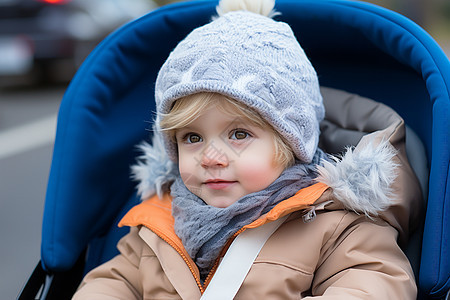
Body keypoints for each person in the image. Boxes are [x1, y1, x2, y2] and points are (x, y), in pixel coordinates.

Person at [73, 0, 422, 298]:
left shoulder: (336, 225)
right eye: (192, 138)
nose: (211, 157)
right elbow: (112, 282)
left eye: (238, 134)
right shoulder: (157, 225)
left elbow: (373, 283)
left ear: (290, 142)